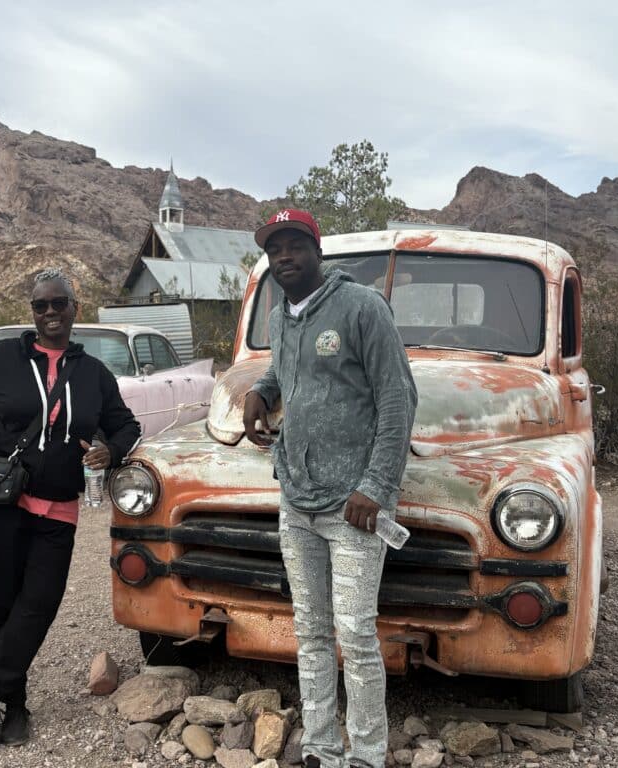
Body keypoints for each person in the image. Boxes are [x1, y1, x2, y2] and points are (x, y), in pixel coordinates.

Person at [0, 268, 141, 751]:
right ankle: (16, 702)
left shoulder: (94, 374)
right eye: (40, 306)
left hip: (58, 506)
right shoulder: (4, 357)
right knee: (2, 603)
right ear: (32, 313)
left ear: (75, 308)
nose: (50, 313)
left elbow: (126, 424)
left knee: (40, 604)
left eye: (59, 303)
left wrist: (110, 450)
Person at [243, 210, 417, 768]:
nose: (284, 257)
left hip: (355, 508)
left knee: (357, 636)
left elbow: (398, 398)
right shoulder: (281, 316)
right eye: (275, 250)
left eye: (294, 246)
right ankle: (320, 746)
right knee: (311, 632)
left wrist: (376, 484)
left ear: (317, 251)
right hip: (296, 498)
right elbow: (285, 372)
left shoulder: (362, 308)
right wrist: (260, 392)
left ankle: (366, 753)